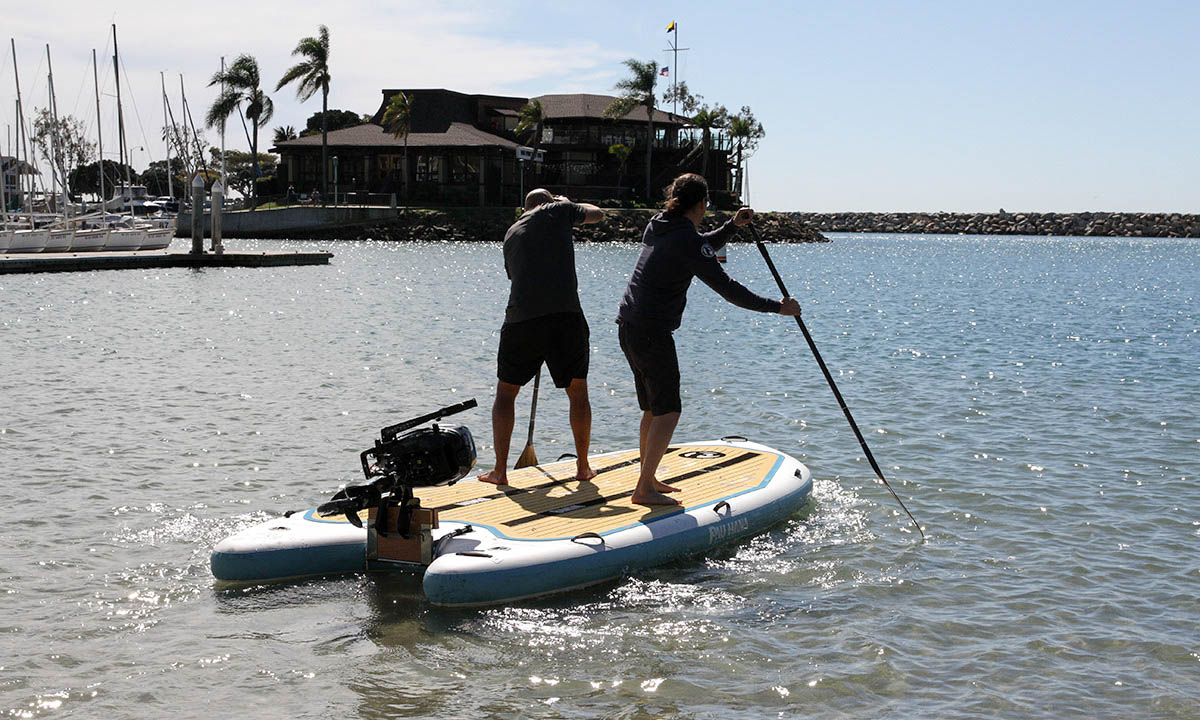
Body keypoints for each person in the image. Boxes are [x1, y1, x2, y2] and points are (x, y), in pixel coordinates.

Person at [617, 173, 802, 505]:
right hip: (651, 331)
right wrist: (777, 308)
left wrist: (732, 226)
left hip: (629, 325)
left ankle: (649, 478)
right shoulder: (686, 239)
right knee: (669, 410)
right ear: (701, 204)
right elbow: (727, 288)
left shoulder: (659, 224)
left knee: (654, 408)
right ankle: (643, 491)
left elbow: (699, 248)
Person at [478, 189, 604, 485]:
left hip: (522, 319)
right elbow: (598, 213)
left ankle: (499, 471)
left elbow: (516, 276)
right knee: (578, 392)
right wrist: (565, 203)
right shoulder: (556, 211)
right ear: (547, 203)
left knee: (506, 394)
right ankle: (583, 467)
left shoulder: (510, 233)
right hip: (565, 316)